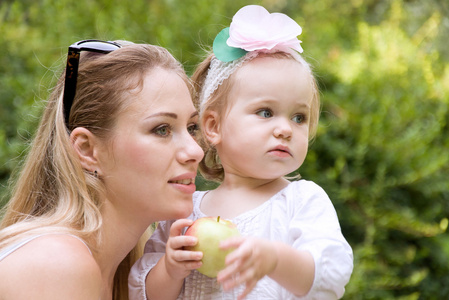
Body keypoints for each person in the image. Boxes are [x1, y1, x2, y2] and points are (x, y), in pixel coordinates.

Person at [129, 5, 353, 300]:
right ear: (214, 125)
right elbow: (142, 295)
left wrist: (274, 259)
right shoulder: (185, 213)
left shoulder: (301, 202)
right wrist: (170, 269)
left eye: (299, 117)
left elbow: (328, 279)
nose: (286, 129)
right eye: (265, 112)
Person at [0, 39, 204, 300]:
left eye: (192, 128)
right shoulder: (57, 265)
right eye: (161, 129)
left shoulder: (137, 276)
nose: (196, 151)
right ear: (87, 150)